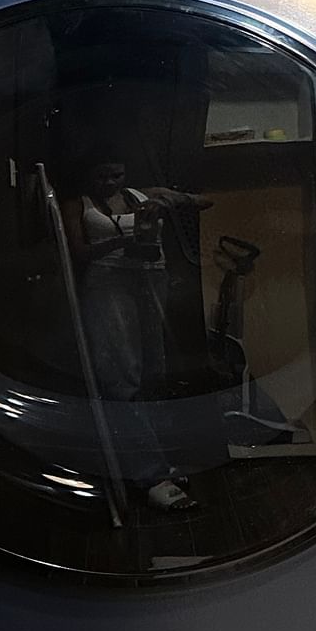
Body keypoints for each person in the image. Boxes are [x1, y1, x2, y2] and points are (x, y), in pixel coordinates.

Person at [63, 158, 207, 513]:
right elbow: (77, 253)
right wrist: (124, 240)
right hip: (107, 283)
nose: (110, 182)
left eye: (117, 174)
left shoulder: (142, 194)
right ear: (87, 176)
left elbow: (205, 201)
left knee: (152, 374)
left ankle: (154, 461)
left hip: (150, 278)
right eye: (101, 175)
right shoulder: (76, 203)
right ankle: (151, 475)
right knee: (120, 376)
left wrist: (169, 202)